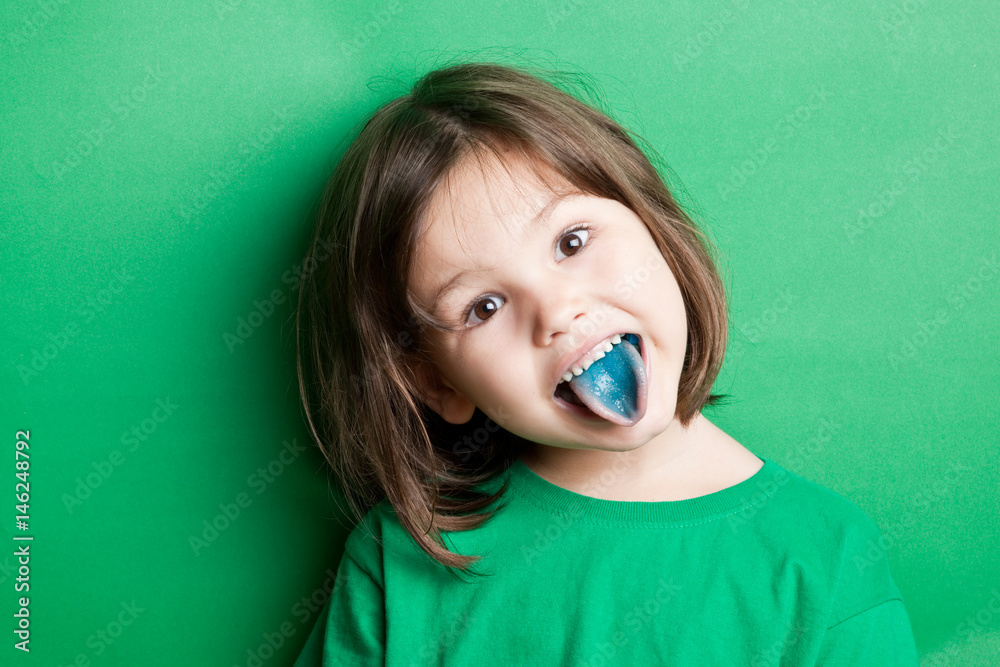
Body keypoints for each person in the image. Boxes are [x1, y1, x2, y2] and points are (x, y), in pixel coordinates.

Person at [292, 59, 920, 665]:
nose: (558, 310)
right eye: (484, 306)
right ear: (436, 382)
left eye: (572, 241)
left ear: (655, 226)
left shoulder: (825, 556)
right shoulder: (401, 559)